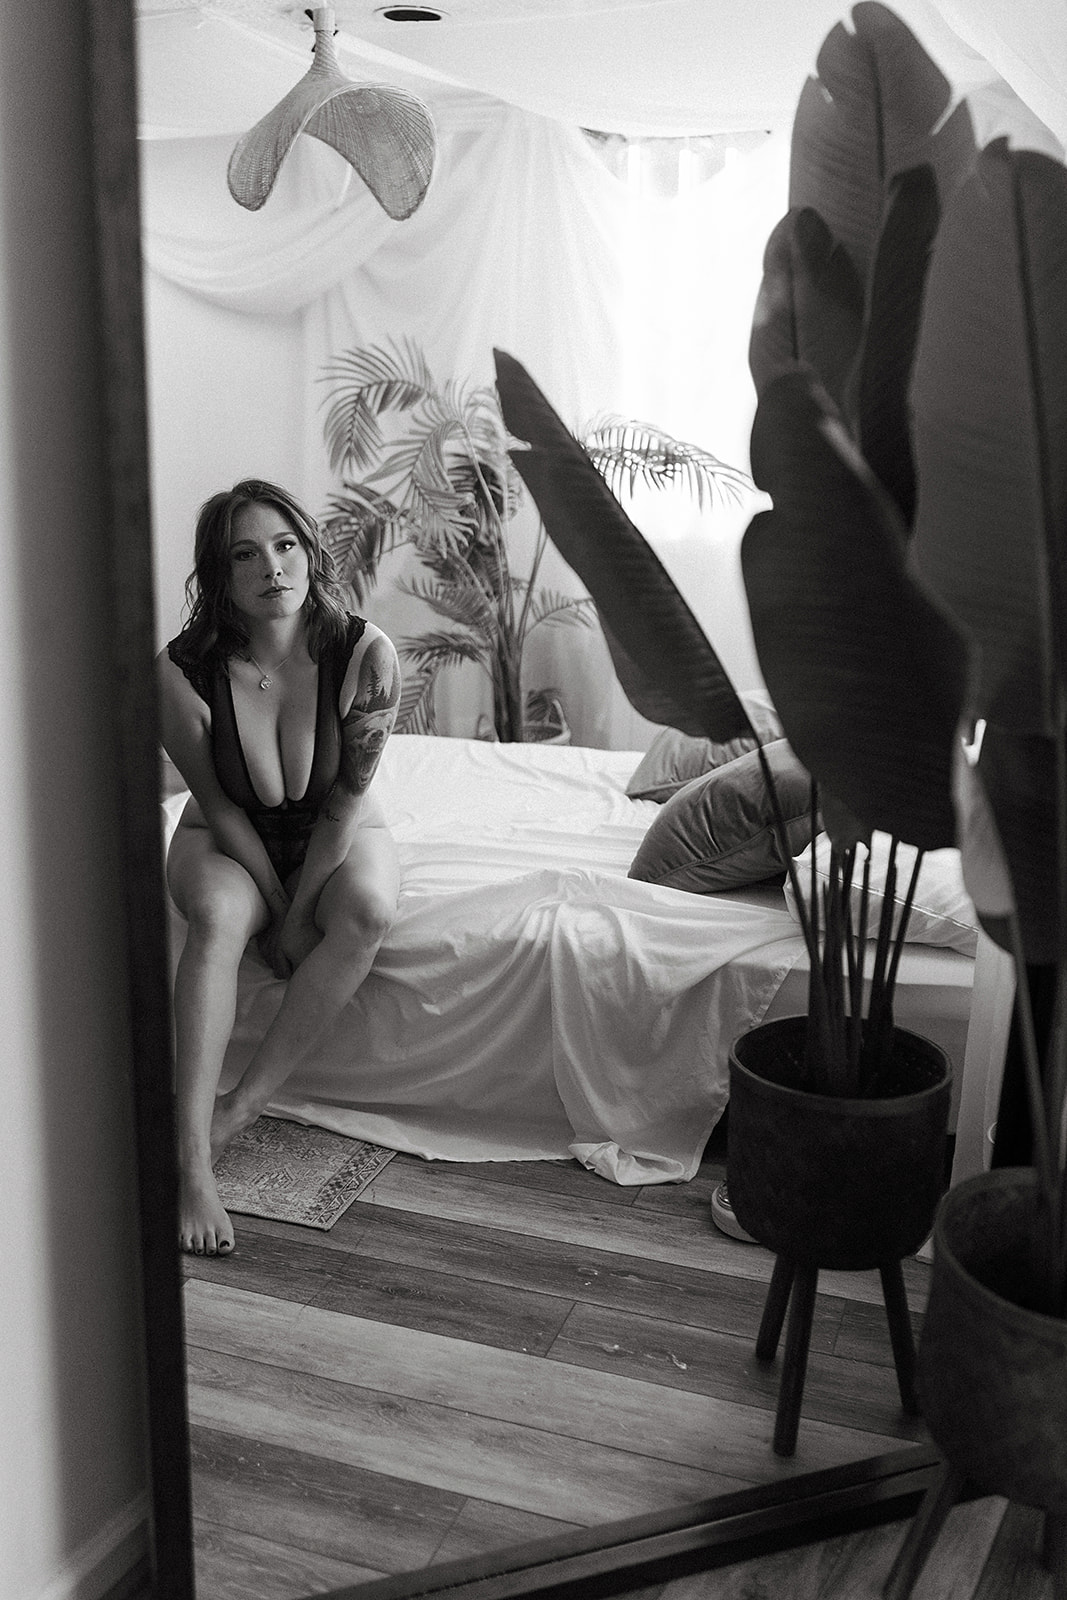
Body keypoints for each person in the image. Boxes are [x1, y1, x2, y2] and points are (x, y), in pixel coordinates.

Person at [157, 479, 401, 1256]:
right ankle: (191, 1162)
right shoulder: (181, 672)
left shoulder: (364, 654)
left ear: (308, 550)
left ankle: (239, 1109)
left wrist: (300, 915)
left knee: (367, 912)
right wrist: (271, 900)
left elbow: (344, 803)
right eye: (245, 554)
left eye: (285, 544)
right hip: (225, 836)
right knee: (219, 918)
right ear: (219, 574)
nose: (272, 566)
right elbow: (220, 806)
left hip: (338, 829)